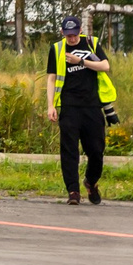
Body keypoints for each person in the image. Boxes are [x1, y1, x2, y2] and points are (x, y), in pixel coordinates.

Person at [46, 12, 115, 205]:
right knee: (69, 151)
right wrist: (50, 105)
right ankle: (73, 191)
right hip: (69, 107)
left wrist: (81, 62)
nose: (72, 38)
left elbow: (105, 66)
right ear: (62, 32)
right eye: (68, 35)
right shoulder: (57, 49)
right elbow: (51, 78)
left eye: (75, 34)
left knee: (96, 151)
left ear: (80, 31)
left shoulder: (91, 43)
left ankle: (91, 182)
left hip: (92, 106)